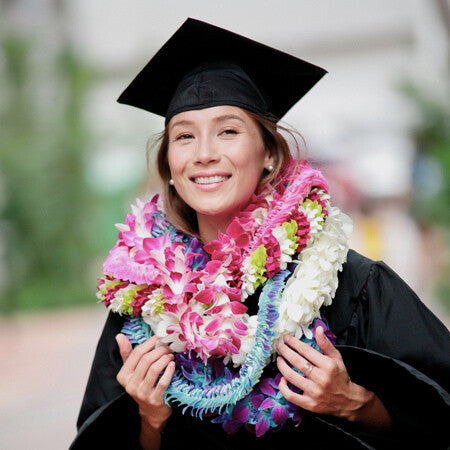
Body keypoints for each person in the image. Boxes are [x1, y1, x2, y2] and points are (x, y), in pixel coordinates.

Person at [70, 18, 450, 450]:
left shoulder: (351, 285)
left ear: (268, 154)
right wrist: (150, 421)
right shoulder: (143, 303)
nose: (204, 154)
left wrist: (356, 404)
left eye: (228, 131)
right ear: (170, 167)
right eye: (184, 136)